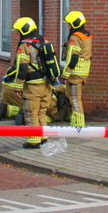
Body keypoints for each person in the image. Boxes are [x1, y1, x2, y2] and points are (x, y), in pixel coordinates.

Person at [9, 17, 60, 148]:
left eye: (18, 31)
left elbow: (22, 67)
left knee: (31, 113)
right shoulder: (44, 41)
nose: (18, 34)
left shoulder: (25, 45)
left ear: (24, 30)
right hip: (47, 84)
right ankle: (43, 137)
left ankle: (33, 140)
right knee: (41, 112)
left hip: (33, 86)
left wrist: (18, 86)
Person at [61, 11, 93, 127]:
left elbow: (73, 57)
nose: (68, 27)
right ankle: (75, 121)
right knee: (75, 98)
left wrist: (65, 74)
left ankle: (78, 124)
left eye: (69, 24)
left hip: (75, 73)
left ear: (75, 23)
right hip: (84, 72)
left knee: (74, 99)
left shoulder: (75, 37)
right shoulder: (87, 35)